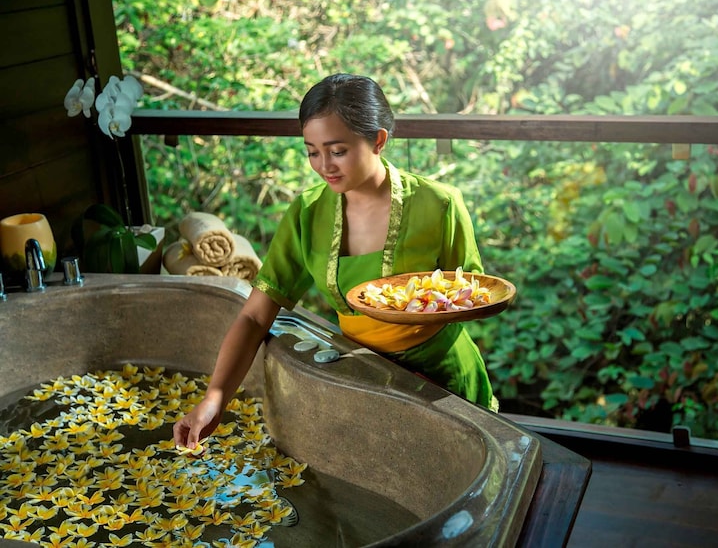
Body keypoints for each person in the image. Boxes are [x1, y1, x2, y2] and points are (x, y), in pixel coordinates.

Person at [173, 73, 496, 450]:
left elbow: (473, 295)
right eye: (313, 152)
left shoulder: (439, 204)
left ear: (378, 140)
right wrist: (215, 398)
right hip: (366, 381)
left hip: (445, 383)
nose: (324, 165)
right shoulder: (308, 213)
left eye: (337, 150)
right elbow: (255, 316)